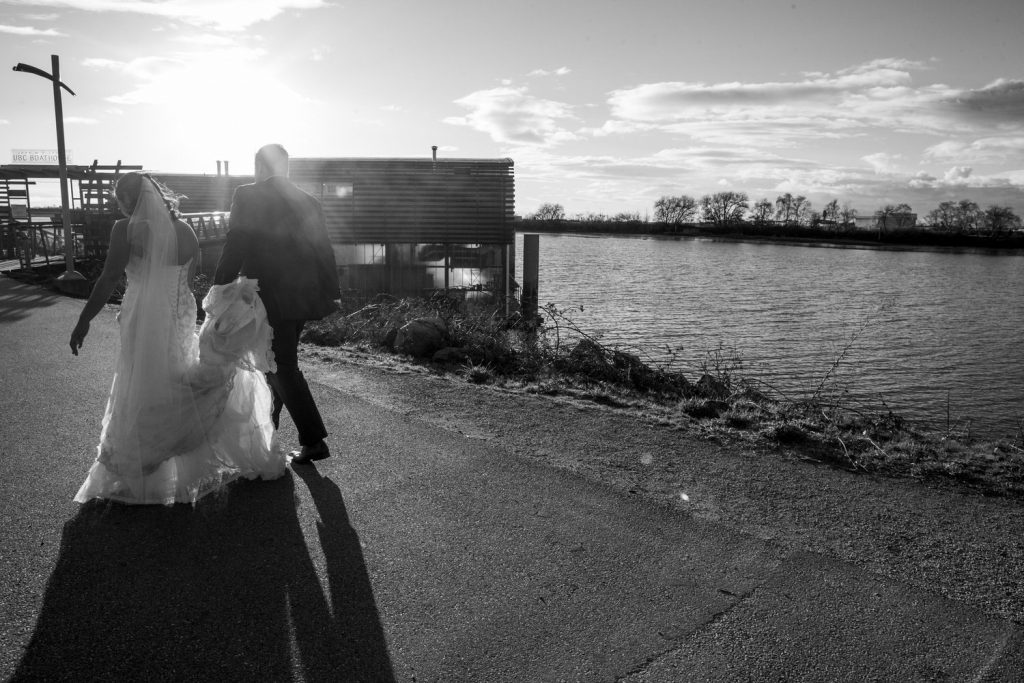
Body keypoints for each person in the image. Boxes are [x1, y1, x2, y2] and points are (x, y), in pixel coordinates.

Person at [70, 172, 285, 505]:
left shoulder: (123, 230)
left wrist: (84, 320)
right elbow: (194, 273)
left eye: (121, 200)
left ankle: (144, 465)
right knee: (175, 375)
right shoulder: (185, 231)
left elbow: (110, 277)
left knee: (142, 382)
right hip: (181, 311)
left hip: (143, 314)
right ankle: (174, 458)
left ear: (128, 199)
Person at [214, 144, 340, 464]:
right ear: (287, 168)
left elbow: (236, 241)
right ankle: (268, 428)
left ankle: (313, 441)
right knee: (273, 363)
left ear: (258, 167)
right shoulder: (308, 200)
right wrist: (331, 292)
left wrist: (220, 286)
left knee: (281, 365)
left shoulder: (248, 195)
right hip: (304, 296)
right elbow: (323, 249)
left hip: (269, 295)